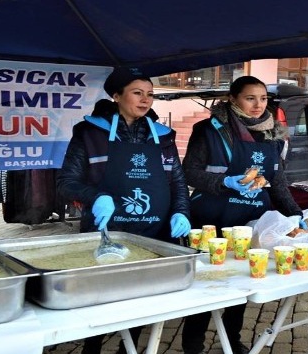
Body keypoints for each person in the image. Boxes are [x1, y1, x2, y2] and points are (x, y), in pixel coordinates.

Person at [57, 67, 192, 354]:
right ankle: (90, 349)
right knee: (98, 299)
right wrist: (96, 197)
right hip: (106, 233)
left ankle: (125, 349)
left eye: (150, 94)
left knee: (143, 301)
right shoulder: (90, 133)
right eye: (137, 93)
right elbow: (66, 182)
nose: (145, 100)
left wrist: (182, 212)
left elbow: (178, 183)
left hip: (154, 233)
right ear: (116, 95)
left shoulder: (164, 136)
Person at [181, 75, 306, 354]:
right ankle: (193, 345)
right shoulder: (209, 130)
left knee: (243, 285)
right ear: (233, 99)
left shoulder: (274, 135)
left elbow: (278, 184)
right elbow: (189, 171)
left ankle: (231, 339)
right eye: (250, 98)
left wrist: (296, 215)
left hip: (250, 222)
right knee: (206, 285)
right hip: (211, 222)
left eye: (262, 98)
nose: (258, 105)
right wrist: (224, 181)